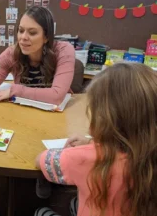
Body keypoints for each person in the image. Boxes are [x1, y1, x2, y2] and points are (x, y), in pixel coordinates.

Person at [35, 63, 157, 216]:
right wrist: (90, 143)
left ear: (104, 118)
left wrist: (87, 147)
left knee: (41, 212)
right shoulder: (148, 153)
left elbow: (42, 160)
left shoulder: (88, 158)